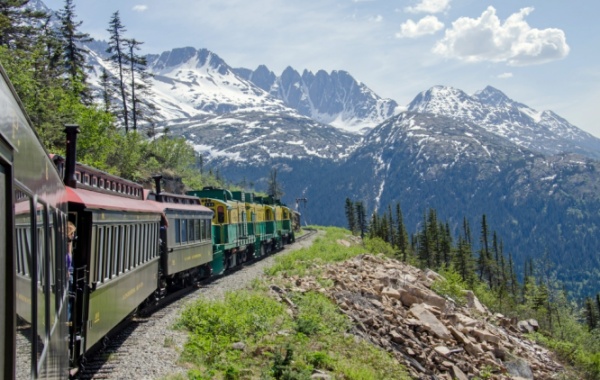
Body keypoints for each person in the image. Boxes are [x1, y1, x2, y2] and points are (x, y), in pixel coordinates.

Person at [66, 221, 76, 322]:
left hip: (68, 273)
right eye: (72, 233)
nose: (73, 235)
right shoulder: (63, 247)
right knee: (68, 301)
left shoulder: (67, 244)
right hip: (67, 275)